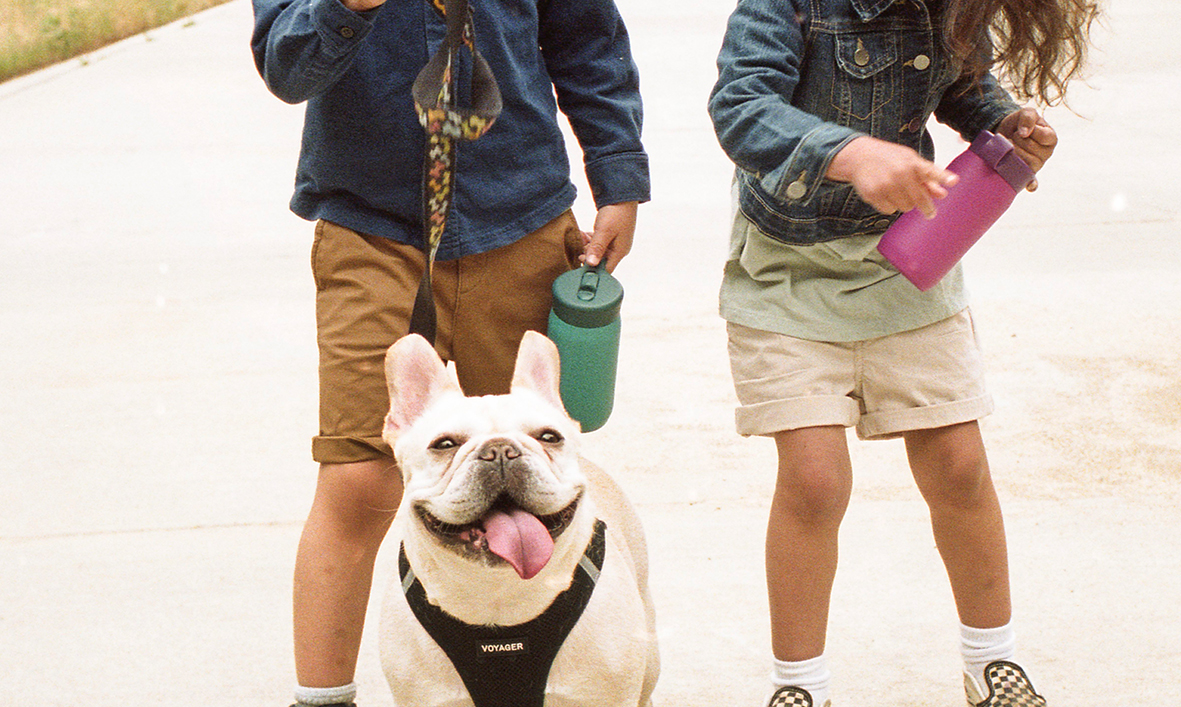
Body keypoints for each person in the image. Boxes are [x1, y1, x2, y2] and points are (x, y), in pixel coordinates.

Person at [250, 0, 648, 703]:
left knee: (533, 465)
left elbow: (587, 37)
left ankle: (563, 677)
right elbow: (287, 67)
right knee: (357, 478)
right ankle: (322, 698)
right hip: (370, 225)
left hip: (519, 211)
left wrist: (617, 174)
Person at [707, 0, 1095, 705]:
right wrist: (847, 153)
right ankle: (799, 685)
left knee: (960, 466)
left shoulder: (948, 7)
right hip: (786, 271)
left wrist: (1002, 123)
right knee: (815, 478)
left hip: (908, 259)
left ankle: (991, 664)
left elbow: (959, 81)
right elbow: (740, 105)